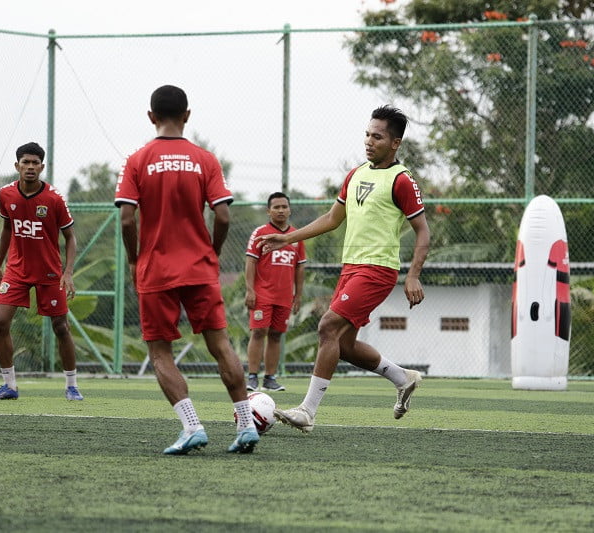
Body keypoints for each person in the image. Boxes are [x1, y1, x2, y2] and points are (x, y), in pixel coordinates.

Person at [257, 105, 430, 433]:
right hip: (350, 268)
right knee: (345, 345)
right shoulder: (354, 175)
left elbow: (423, 230)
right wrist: (286, 239)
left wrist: (413, 275)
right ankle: (402, 377)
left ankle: (307, 412)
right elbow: (332, 219)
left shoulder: (402, 180)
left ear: (394, 143)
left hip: (377, 270)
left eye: (377, 136)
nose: (368, 141)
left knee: (327, 327)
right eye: (367, 134)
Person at [115, 85, 259, 454]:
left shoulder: (137, 160)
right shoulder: (205, 159)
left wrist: (134, 258)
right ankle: (245, 425)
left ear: (151, 117)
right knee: (220, 344)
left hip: (155, 269)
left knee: (160, 351)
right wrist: (210, 250)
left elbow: (127, 220)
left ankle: (192, 426)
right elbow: (223, 214)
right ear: (187, 115)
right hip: (200, 268)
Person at [0, 142, 83, 401]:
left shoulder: (54, 199)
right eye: (25, 162)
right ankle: (9, 385)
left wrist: (68, 271)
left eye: (35, 163)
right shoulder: (6, 194)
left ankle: (72, 385)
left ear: (42, 166)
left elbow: (70, 238)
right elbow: (7, 229)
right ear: (17, 165)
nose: (30, 167)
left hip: (49, 272)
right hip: (16, 271)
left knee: (61, 326)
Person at [244, 192, 306, 392]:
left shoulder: (296, 237)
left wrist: (298, 295)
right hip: (262, 294)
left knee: (277, 335)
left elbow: (300, 267)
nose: (281, 210)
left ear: (290, 209)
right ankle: (252, 377)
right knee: (259, 331)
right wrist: (250, 290)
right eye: (276, 207)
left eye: (284, 206)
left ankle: (270, 378)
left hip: (284, 296)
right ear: (268, 211)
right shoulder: (260, 232)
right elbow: (250, 261)